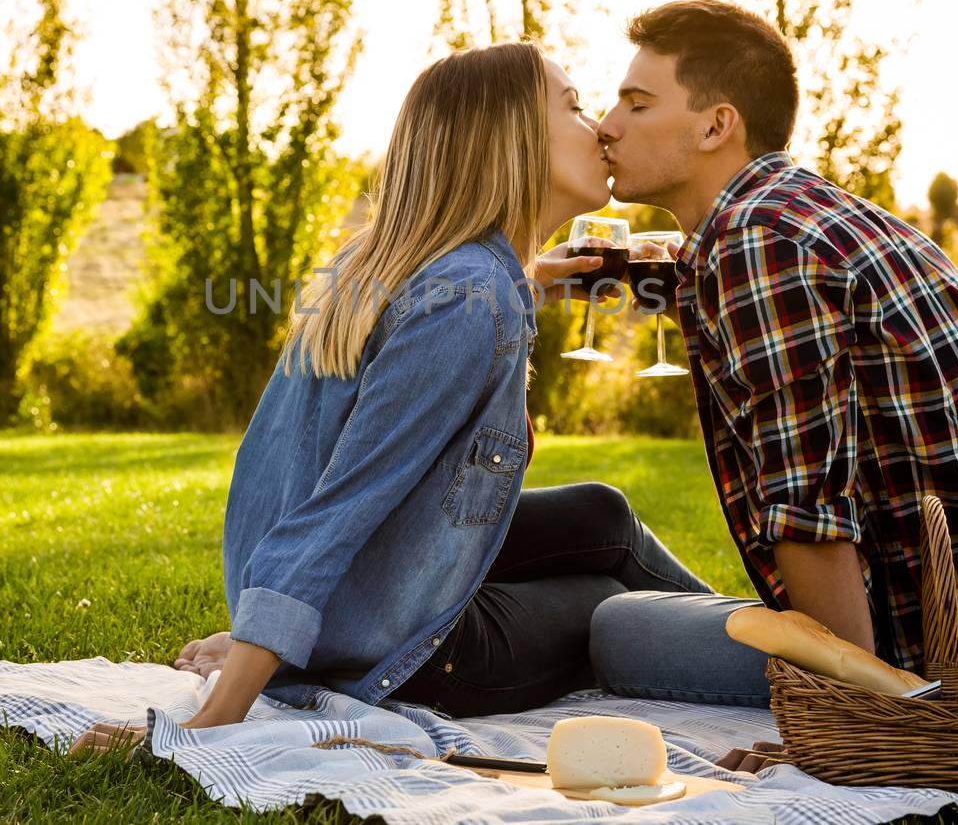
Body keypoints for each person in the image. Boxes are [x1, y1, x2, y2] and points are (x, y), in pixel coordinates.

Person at [73, 41, 709, 754]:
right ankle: (796, 663)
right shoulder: (472, 300)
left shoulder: (406, 268)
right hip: (422, 653)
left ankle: (771, 633)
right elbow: (336, 509)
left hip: (372, 594)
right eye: (573, 106)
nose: (599, 126)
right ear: (512, 140)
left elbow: (416, 368)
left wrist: (529, 284)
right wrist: (210, 722)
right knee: (614, 612)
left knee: (604, 513)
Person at [588, 0, 958, 716]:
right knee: (604, 539)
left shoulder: (758, 248)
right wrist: (597, 271)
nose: (607, 123)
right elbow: (707, 278)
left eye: (636, 102)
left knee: (613, 623)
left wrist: (859, 717)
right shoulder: (795, 212)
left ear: (716, 123)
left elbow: (811, 516)